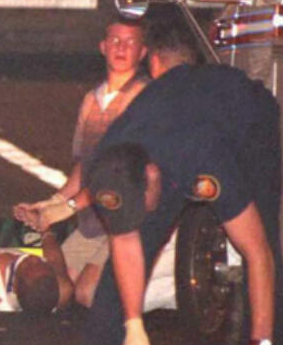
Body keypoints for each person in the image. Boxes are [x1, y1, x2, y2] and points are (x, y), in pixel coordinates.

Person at [48, 25, 283, 345]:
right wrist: (132, 323)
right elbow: (127, 241)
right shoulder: (110, 157)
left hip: (246, 126)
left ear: (153, 175)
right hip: (170, 134)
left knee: (263, 241)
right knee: (133, 243)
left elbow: (257, 253)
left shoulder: (205, 162)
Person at [12, 18, 176, 309]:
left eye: (130, 42)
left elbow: (121, 174)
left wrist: (68, 208)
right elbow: (84, 167)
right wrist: (51, 203)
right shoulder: (91, 99)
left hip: (125, 220)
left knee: (88, 294)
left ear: (142, 53)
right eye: (114, 40)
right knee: (57, 290)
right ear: (102, 47)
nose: (121, 48)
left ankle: (165, 289)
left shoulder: (145, 98)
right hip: (92, 222)